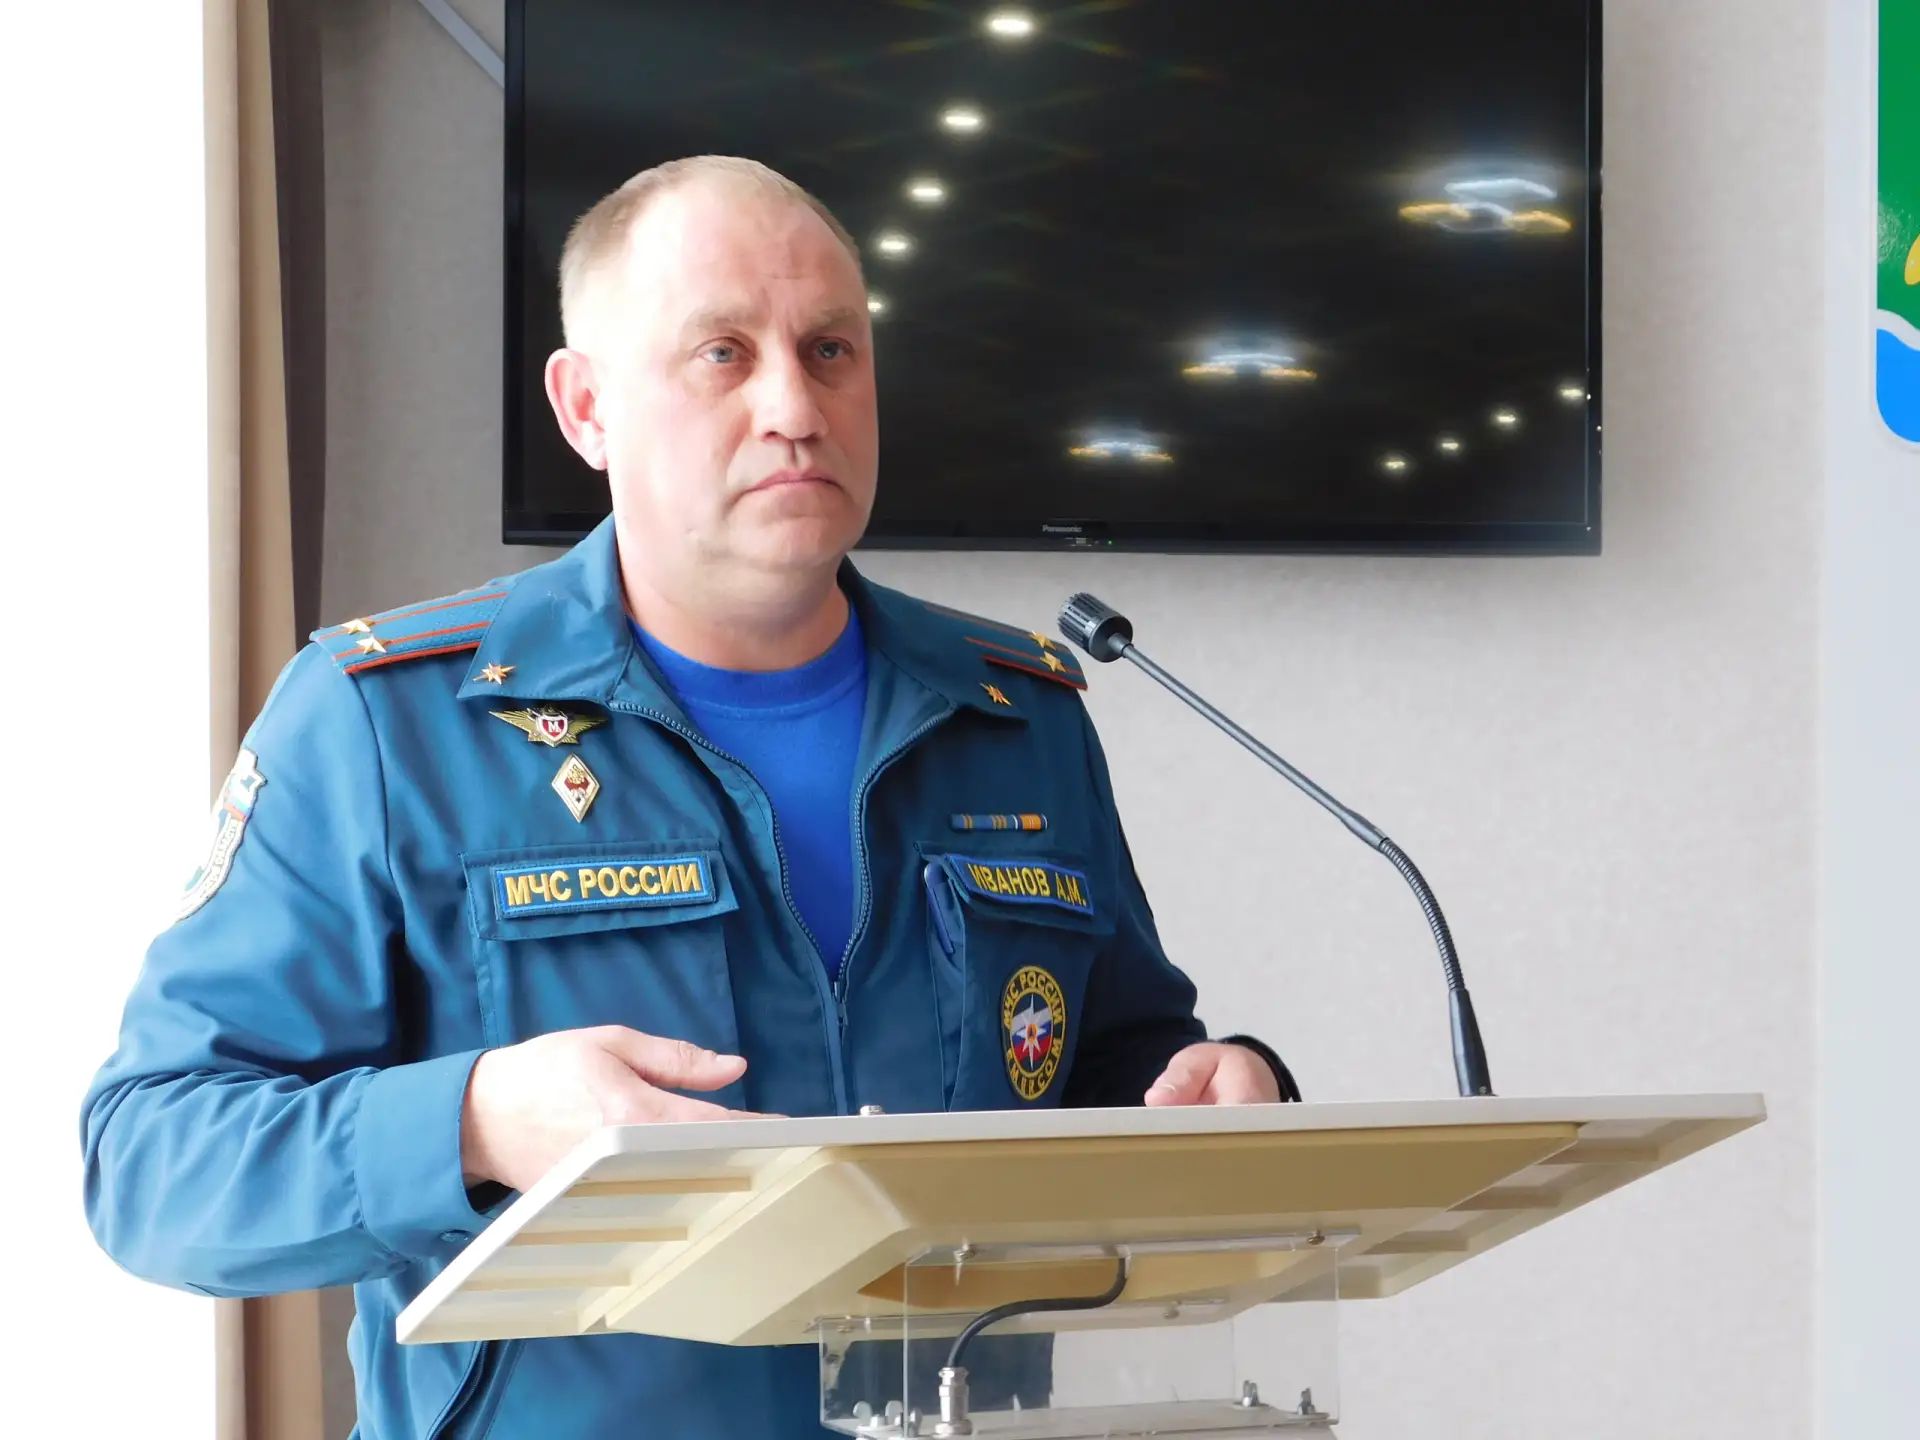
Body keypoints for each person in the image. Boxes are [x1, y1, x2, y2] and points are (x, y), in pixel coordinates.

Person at [83, 156, 1294, 1439]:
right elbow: (153, 1164)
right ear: (587, 408)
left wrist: (1222, 1085)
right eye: (723, 354)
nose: (795, 407)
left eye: (830, 351)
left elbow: (1114, 1066)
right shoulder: (386, 722)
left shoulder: (1017, 717)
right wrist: (478, 1121)